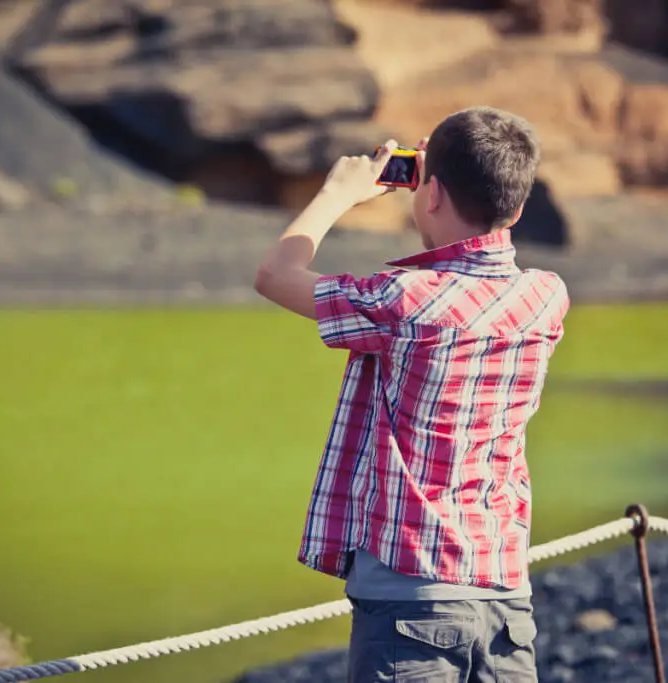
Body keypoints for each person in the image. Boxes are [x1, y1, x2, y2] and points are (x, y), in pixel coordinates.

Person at [253, 106, 569, 683]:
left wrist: (339, 194)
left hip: (410, 598)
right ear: (518, 208)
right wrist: (440, 195)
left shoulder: (404, 301)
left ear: (430, 195)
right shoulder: (545, 298)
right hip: (505, 598)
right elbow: (470, 261)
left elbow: (275, 274)